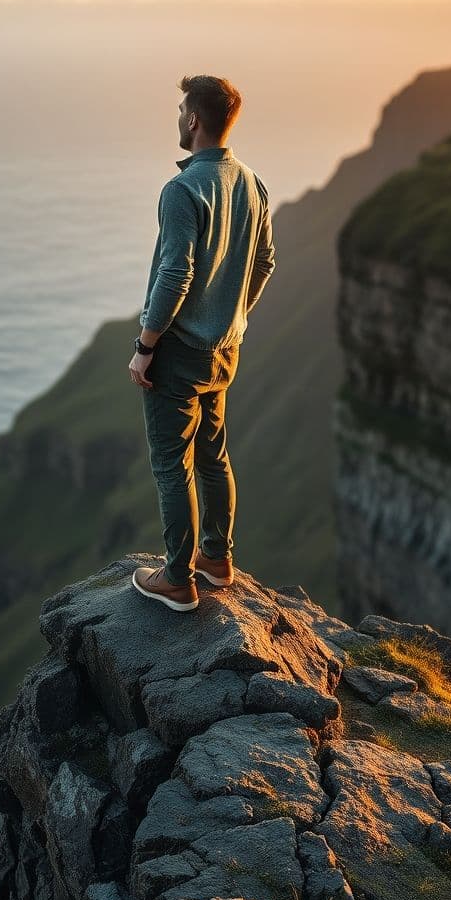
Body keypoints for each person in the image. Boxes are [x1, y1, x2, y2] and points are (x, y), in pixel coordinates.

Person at [129, 74, 277, 613]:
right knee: (213, 453)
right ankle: (217, 560)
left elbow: (175, 275)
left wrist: (146, 345)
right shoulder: (254, 183)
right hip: (225, 348)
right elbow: (265, 264)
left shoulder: (182, 190)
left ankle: (177, 579)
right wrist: (233, 318)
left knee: (172, 463)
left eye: (179, 110)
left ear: (193, 120)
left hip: (181, 350)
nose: (177, 119)